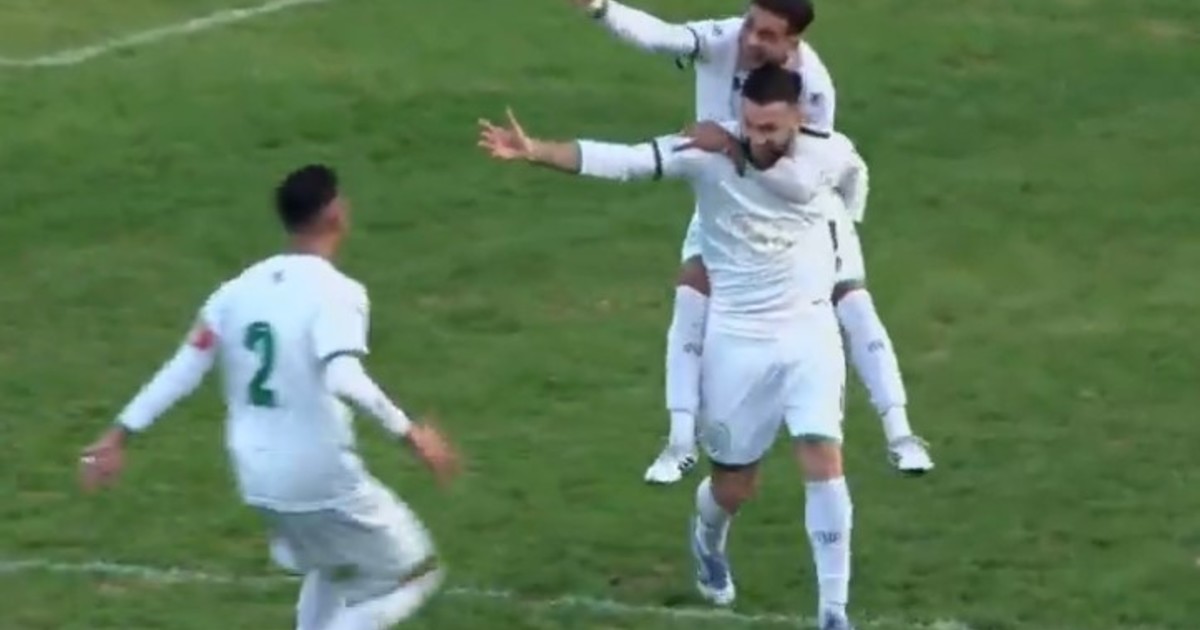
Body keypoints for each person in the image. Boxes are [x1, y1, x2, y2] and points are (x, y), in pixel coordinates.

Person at [479, 64, 858, 630]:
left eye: (772, 128)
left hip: (809, 332)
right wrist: (537, 151)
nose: (760, 138)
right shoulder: (705, 151)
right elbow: (628, 161)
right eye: (751, 126)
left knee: (822, 455)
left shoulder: (825, 152)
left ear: (799, 118)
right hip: (737, 342)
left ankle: (833, 610)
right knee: (734, 487)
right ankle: (708, 534)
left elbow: (813, 185)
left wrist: (739, 150)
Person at [78, 164, 460, 630]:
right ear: (336, 213)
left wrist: (118, 434)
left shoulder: (236, 292)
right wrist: (410, 433)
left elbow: (183, 368)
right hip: (320, 477)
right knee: (415, 575)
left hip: (257, 477)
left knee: (331, 567)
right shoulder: (337, 293)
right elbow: (343, 376)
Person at [570, 0, 933, 482]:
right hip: (722, 202)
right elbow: (661, 37)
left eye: (767, 34)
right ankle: (679, 442)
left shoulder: (813, 87)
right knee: (690, 296)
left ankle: (900, 434)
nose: (750, 40)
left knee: (851, 300)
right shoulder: (721, 39)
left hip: (796, 208)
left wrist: (733, 146)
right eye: (749, 25)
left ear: (792, 41)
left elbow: (805, 174)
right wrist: (600, 8)